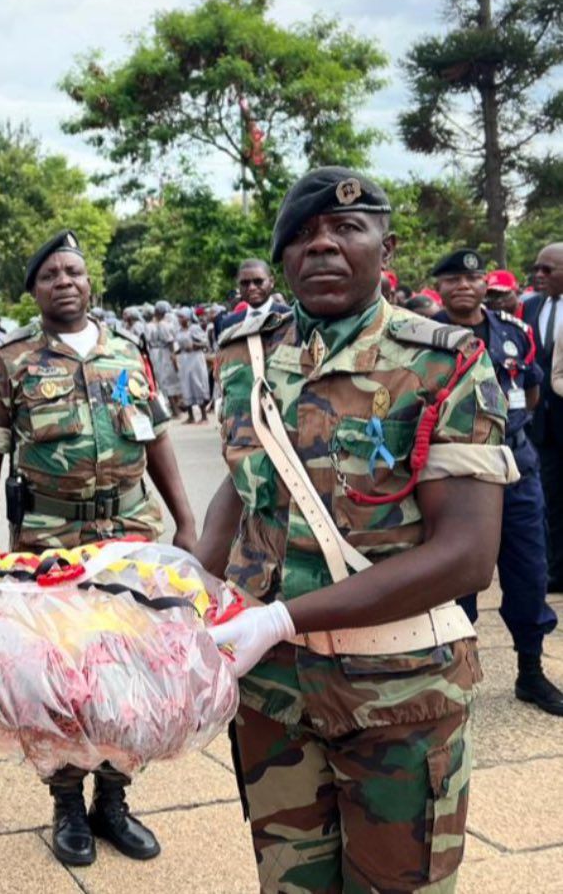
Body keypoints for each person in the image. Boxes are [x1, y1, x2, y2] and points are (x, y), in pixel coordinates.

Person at [197, 167, 516, 893]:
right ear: (282, 258)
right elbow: (248, 480)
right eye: (304, 235)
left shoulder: (443, 361)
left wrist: (279, 617)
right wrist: (194, 584)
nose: (324, 247)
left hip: (398, 695)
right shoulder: (250, 354)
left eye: (347, 228)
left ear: (386, 245)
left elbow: (466, 557)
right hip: (273, 695)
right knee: (290, 885)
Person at [0, 230, 198, 869]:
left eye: (74, 271)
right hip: (48, 542)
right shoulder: (9, 359)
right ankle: (67, 801)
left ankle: (114, 799)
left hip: (131, 537)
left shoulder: (128, 349)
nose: (64, 281)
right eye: (50, 276)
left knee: (131, 673)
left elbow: (156, 438)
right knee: (63, 677)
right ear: (35, 291)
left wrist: (187, 521)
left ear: (90, 281)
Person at [431, 248, 563, 714]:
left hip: (515, 463)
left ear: (486, 285)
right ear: (439, 289)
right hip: (458, 470)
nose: (464, 286)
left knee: (528, 567)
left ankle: (530, 671)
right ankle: (456, 673)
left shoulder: (516, 332)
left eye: (473, 278)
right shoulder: (425, 338)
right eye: (453, 280)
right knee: (457, 574)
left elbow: (529, 389)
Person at [523, 243, 563, 593]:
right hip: (544, 424)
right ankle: (556, 570)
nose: (539, 276)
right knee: (550, 497)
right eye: (537, 269)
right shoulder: (531, 307)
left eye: (547, 270)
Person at [213, 259, 291, 340]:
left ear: (271, 282)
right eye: (245, 283)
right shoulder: (228, 324)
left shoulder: (290, 318)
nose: (251, 288)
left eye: (258, 281)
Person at [175, 307, 211, 422]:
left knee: (197, 384)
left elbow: (205, 343)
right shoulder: (180, 330)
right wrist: (175, 353)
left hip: (195, 359)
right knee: (186, 385)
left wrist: (194, 345)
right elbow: (180, 345)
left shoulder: (194, 328)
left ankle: (204, 415)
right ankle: (191, 416)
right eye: (179, 317)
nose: (180, 319)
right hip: (184, 360)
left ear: (188, 317)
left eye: (182, 317)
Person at [145, 302, 181, 413]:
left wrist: (173, 355)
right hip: (164, 353)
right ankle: (175, 408)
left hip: (161, 354)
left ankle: (175, 409)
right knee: (167, 380)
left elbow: (168, 340)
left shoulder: (159, 325)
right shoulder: (165, 323)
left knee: (165, 381)